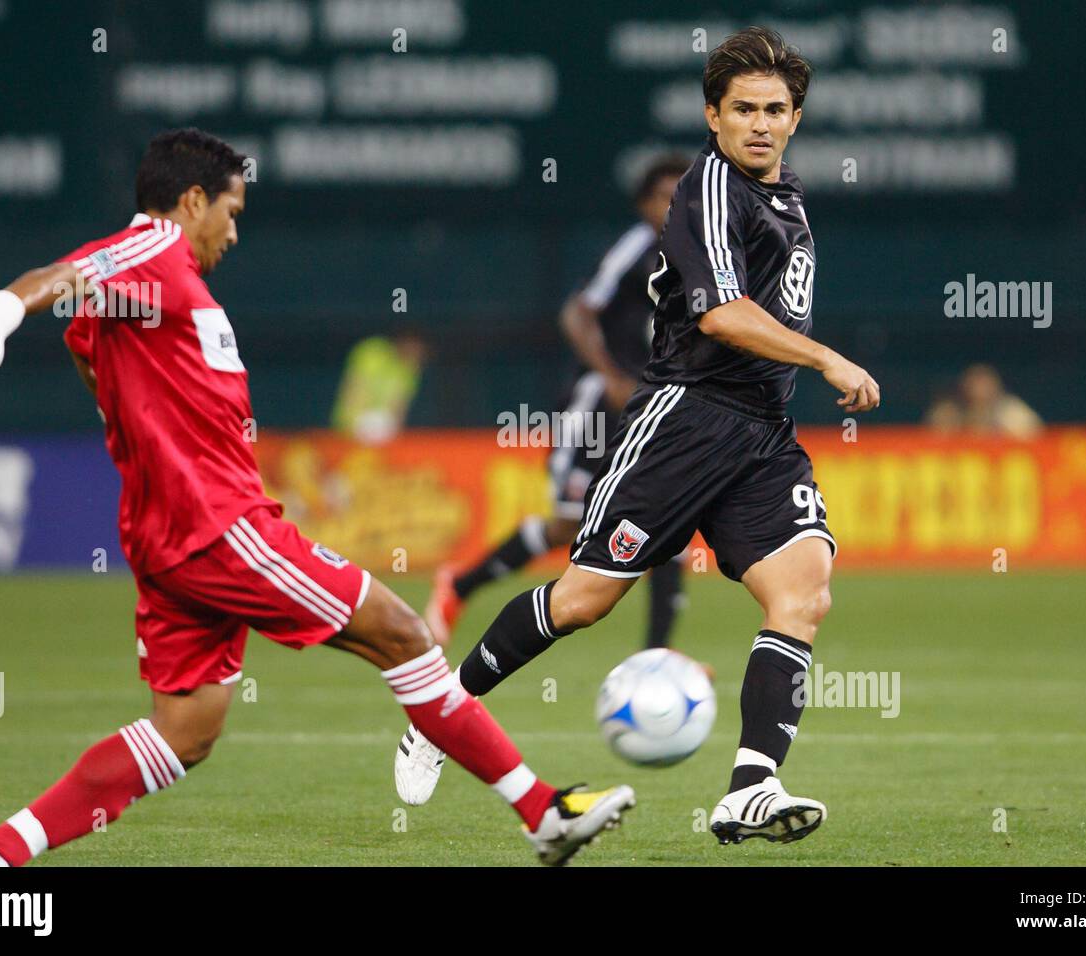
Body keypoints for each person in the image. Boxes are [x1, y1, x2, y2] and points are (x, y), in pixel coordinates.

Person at [0, 128, 633, 867]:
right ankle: (542, 811)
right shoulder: (151, 256)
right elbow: (63, 276)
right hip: (217, 526)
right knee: (404, 635)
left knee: (185, 731)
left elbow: (96, 339)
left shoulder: (155, 294)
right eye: (230, 212)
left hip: (169, 537)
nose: (234, 233)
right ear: (193, 200)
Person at [397, 28, 881, 848]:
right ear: (713, 115)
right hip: (685, 421)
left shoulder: (786, 192)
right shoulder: (710, 189)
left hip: (762, 433)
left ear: (795, 118)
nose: (759, 124)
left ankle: (751, 789)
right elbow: (721, 314)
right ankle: (441, 713)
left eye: (775, 110)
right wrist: (827, 357)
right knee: (584, 600)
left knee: (804, 593)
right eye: (742, 110)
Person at [423, 154, 689, 652]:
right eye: (663, 195)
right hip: (599, 404)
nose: (674, 204)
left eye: (683, 193)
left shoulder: (697, 254)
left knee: (670, 515)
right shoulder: (636, 247)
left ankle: (657, 656)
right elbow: (576, 312)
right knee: (569, 521)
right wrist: (610, 375)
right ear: (643, 204)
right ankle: (458, 586)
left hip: (655, 409)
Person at [330, 328, 427, 443]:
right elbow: (355, 389)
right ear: (403, 343)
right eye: (414, 349)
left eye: (419, 353)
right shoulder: (373, 351)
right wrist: (355, 423)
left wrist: (391, 431)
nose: (416, 355)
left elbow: (399, 406)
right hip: (349, 428)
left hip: (381, 432)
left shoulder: (411, 367)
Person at [925, 363, 1042, 438]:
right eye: (974, 385)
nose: (979, 390)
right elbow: (931, 440)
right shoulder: (949, 411)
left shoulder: (1011, 410)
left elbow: (1035, 437)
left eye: (984, 384)